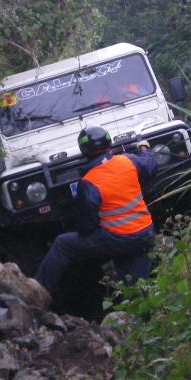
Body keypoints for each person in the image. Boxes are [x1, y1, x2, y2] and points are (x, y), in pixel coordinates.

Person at [34, 126, 158, 300]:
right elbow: (150, 164)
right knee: (137, 291)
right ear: (109, 143)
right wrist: (144, 148)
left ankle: (37, 292)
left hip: (117, 239)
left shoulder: (89, 182)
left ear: (84, 150)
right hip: (146, 234)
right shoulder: (128, 161)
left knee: (63, 243)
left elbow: (87, 226)